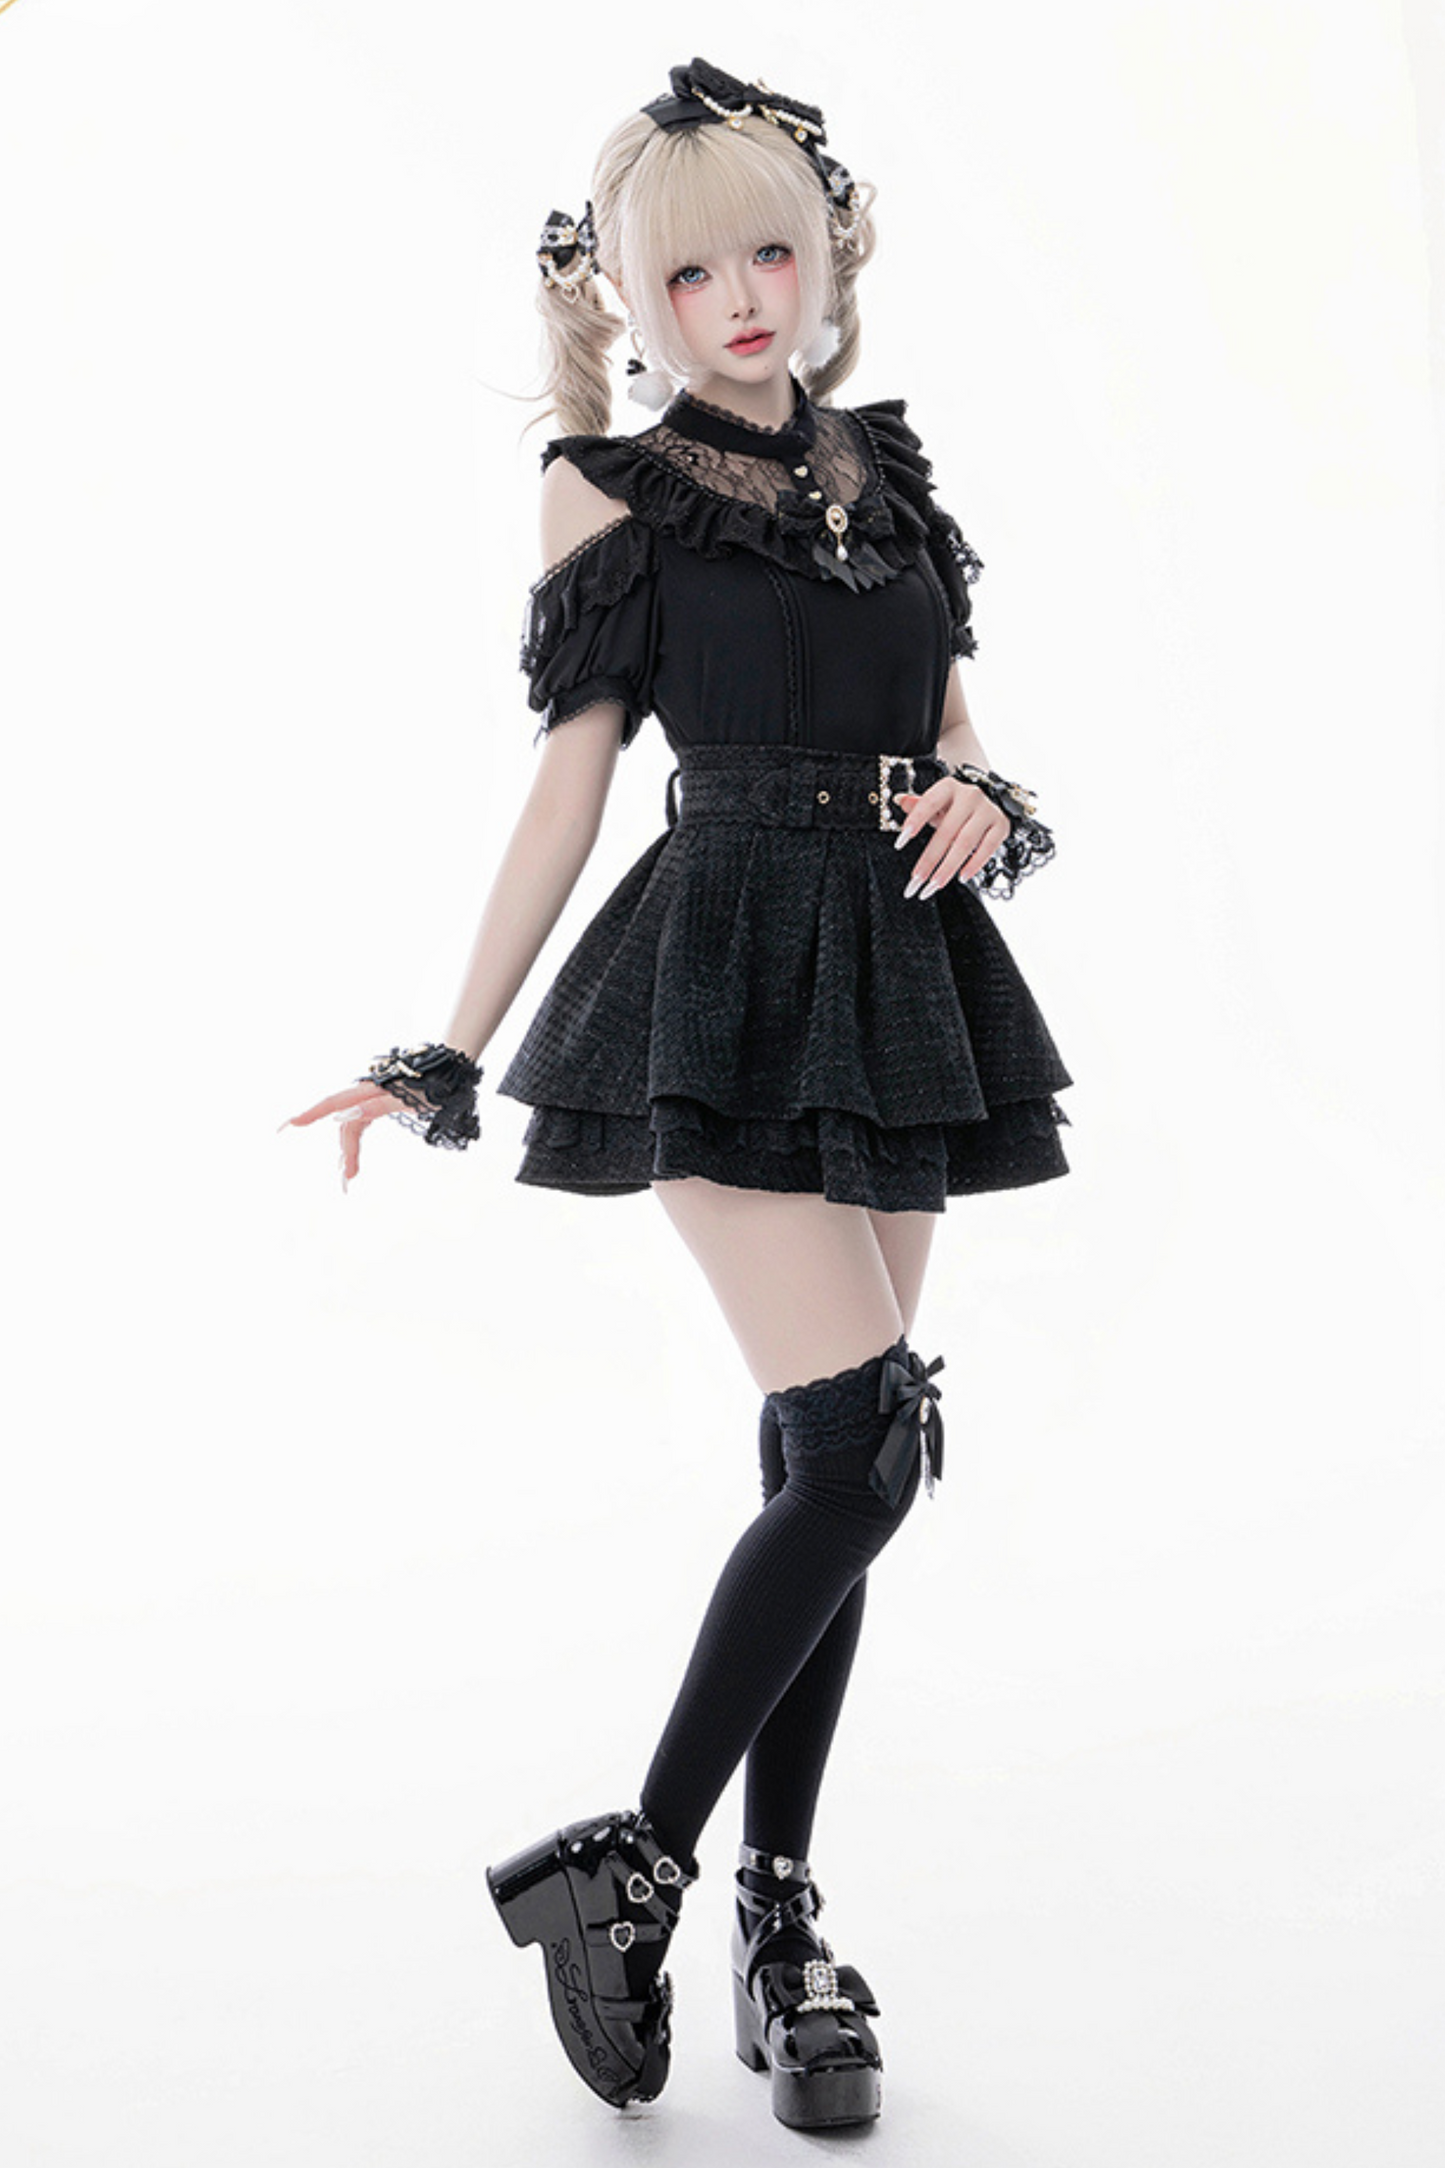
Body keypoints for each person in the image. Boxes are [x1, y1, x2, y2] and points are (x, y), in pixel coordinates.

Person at [283, 55, 1073, 2133]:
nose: (739, 299)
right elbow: (567, 787)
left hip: (895, 969)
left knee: (844, 1464)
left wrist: (986, 795)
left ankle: (775, 1922)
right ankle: (635, 1866)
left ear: (827, 259)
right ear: (630, 299)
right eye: (691, 273)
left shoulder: (887, 472)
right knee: (860, 1447)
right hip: (717, 966)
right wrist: (446, 1044)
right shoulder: (608, 490)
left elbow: (955, 719)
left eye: (769, 256)